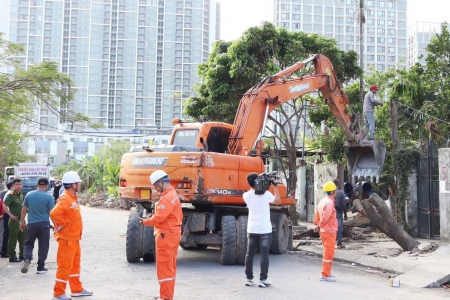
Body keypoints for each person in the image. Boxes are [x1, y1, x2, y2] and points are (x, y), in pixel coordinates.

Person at [139, 170, 183, 300]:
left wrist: (146, 221)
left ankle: (165, 297)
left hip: (166, 235)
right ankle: (167, 295)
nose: (156, 189)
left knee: (164, 268)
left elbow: (159, 218)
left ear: (161, 182)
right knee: (169, 266)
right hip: (172, 234)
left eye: (156, 186)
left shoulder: (167, 198)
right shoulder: (172, 194)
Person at [50, 171, 92, 300]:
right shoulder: (66, 198)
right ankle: (58, 293)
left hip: (74, 238)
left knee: (74, 265)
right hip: (67, 239)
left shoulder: (72, 197)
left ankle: (76, 289)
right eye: (78, 183)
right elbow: (54, 213)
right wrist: (62, 223)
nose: (80, 185)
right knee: (64, 266)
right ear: (73, 185)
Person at [243, 173, 281, 288]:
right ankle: (263, 280)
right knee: (264, 254)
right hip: (265, 230)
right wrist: (274, 186)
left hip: (252, 229)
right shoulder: (267, 195)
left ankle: (249, 279)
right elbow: (278, 201)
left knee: (249, 254)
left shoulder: (246, 196)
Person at [20, 178, 55, 274]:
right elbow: (51, 213)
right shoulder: (49, 197)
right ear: (47, 186)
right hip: (44, 225)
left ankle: (27, 259)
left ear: (37, 185)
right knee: (43, 245)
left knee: (28, 244)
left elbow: (24, 210)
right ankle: (40, 267)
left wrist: (21, 222)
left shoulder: (29, 195)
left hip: (31, 224)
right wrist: (55, 224)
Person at [314, 181, 338, 282]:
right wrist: (320, 224)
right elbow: (326, 217)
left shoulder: (322, 201)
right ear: (333, 191)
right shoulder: (330, 203)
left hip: (324, 231)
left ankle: (327, 273)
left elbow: (317, 215)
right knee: (329, 253)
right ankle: (325, 275)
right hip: (329, 231)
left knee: (327, 252)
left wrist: (317, 224)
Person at [2, 178, 26, 262]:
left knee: (23, 238)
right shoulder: (11, 195)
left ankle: (22, 255)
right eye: (17, 184)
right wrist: (10, 215)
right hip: (14, 220)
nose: (19, 186)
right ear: (13, 185)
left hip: (22, 219)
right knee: (13, 239)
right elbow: (4, 205)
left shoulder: (20, 194)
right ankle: (12, 256)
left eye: (20, 184)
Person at [332, 179, 348, 249]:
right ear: (338, 184)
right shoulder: (341, 193)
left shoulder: (330, 192)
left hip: (331, 212)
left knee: (332, 228)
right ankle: (339, 243)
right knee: (339, 227)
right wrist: (345, 214)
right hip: (338, 212)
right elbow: (344, 204)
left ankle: (332, 243)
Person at [0, 180, 13, 258]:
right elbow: (4, 206)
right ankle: (4, 251)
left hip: (4, 215)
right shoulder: (9, 194)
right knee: (5, 233)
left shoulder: (3, 193)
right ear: (12, 186)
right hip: (5, 216)